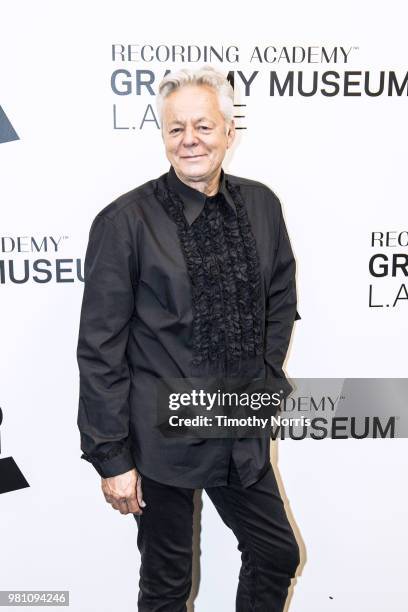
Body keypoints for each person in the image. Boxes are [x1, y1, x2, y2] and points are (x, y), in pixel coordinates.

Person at [76, 65, 301, 611]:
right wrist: (112, 457)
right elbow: (99, 347)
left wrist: (261, 383)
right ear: (163, 136)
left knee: (276, 554)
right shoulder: (125, 221)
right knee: (167, 586)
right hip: (160, 438)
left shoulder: (263, 207)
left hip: (237, 426)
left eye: (203, 125)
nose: (190, 139)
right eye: (177, 128)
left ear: (229, 129)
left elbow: (279, 303)